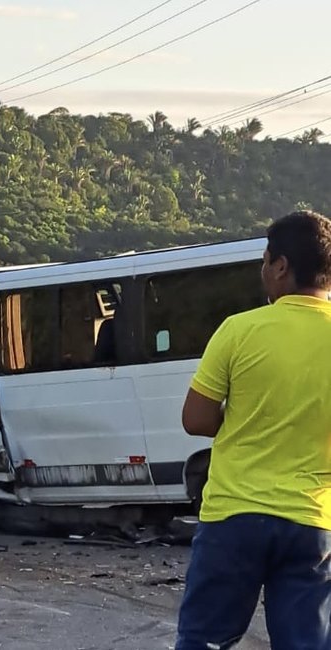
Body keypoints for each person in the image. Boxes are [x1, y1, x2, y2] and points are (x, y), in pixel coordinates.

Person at [176, 210, 331, 650]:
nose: (263, 272)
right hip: (313, 523)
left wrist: (243, 418)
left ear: (280, 266)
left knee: (205, 642)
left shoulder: (239, 330)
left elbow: (195, 419)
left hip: (234, 518)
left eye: (265, 261)